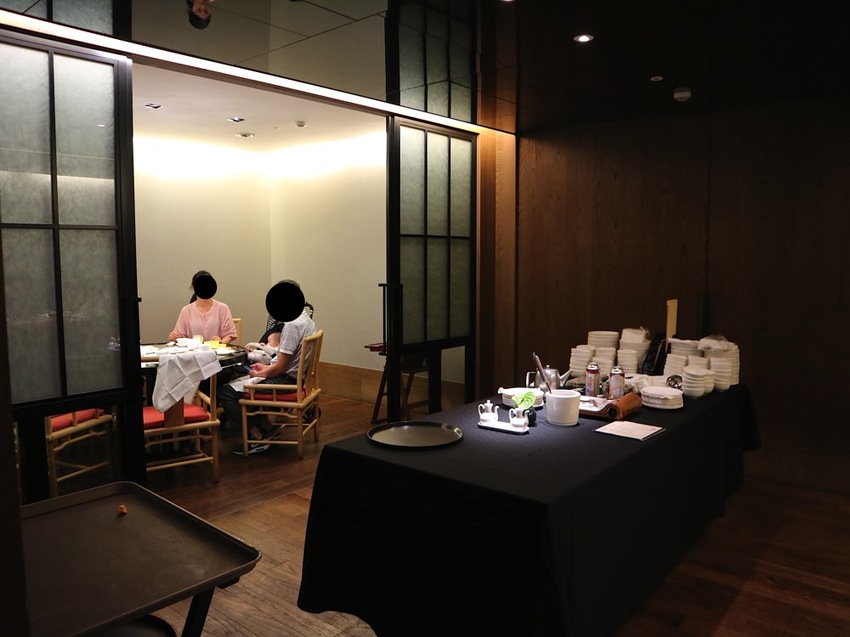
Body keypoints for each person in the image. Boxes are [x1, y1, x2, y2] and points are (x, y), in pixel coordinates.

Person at [219, 284, 316, 453]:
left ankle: (256, 437)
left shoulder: (292, 325)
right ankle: (267, 428)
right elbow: (283, 363)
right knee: (240, 381)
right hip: (295, 378)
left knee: (226, 392)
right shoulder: (307, 321)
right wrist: (264, 367)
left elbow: (281, 368)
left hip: (285, 382)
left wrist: (261, 372)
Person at [168, 270, 237, 344]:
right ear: (194, 288)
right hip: (193, 350)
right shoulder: (186, 311)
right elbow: (179, 336)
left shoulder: (223, 308)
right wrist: (174, 337)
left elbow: (229, 335)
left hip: (217, 350)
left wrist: (221, 342)